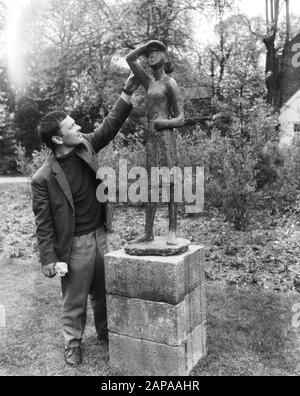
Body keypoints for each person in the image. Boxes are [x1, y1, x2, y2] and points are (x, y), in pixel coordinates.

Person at [31, 73, 139, 367]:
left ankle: (105, 333)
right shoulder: (42, 178)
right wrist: (48, 259)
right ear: (57, 138)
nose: (78, 126)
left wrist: (126, 93)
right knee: (75, 299)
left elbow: (110, 126)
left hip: (99, 236)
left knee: (103, 293)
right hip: (74, 245)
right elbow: (44, 223)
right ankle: (73, 344)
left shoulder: (85, 145)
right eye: (70, 126)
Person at [126, 40, 185, 246]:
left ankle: (172, 230)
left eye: (156, 52)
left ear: (166, 57)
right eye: (148, 53)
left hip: (166, 139)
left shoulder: (170, 83)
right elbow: (130, 59)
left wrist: (164, 123)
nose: (150, 55)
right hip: (151, 141)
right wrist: (147, 46)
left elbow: (181, 118)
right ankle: (148, 232)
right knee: (151, 184)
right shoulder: (149, 82)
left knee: (170, 184)